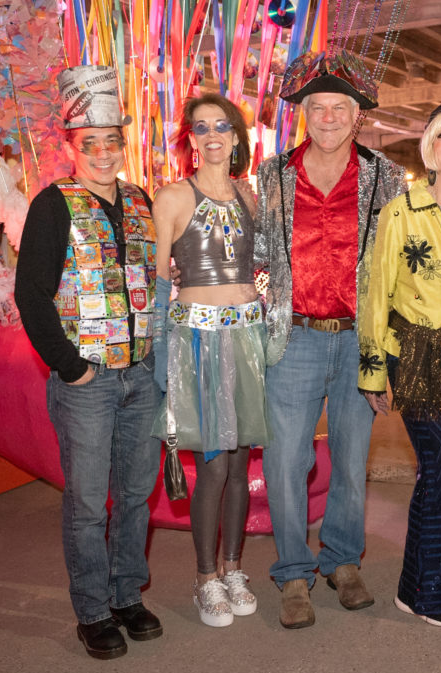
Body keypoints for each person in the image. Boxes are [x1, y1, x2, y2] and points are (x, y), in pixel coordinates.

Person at [254, 50, 407, 629]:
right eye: (316, 107)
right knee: (286, 459)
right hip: (291, 337)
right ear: (304, 114)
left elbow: (396, 270)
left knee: (349, 461)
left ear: (356, 115)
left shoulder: (384, 177)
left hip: (359, 342)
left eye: (338, 107)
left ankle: (343, 562)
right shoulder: (271, 175)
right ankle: (293, 573)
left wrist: (388, 352)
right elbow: (256, 255)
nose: (327, 116)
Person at [14, 65, 162, 659]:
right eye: (90, 143)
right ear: (72, 147)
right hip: (88, 381)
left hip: (142, 376)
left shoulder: (142, 200)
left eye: (112, 141)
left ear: (124, 144)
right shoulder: (53, 204)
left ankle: (128, 594)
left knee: (134, 494)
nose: (103, 153)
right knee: (85, 500)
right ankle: (93, 609)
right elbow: (31, 296)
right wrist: (72, 367)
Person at [358, 100, 441, 628]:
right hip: (411, 355)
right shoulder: (401, 210)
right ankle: (427, 593)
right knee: (438, 465)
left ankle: (429, 578)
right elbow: (375, 294)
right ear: (429, 148)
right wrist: (372, 373)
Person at [151, 94, 269, 627]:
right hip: (197, 344)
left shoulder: (251, 195)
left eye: (222, 125)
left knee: (242, 464)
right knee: (215, 467)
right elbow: (158, 284)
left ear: (238, 136)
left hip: (247, 338)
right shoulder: (174, 195)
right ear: (192, 140)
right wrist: (159, 364)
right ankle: (204, 578)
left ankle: (233, 567)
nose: (213, 134)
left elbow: (262, 264)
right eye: (201, 127)